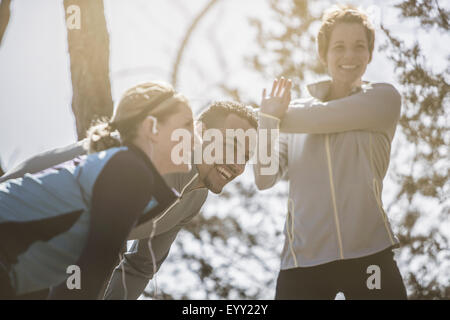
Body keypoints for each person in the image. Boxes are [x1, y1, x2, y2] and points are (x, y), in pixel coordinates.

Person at [1, 101, 258, 299]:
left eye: (246, 157)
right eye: (232, 145)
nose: (237, 164)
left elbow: (141, 265)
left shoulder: (195, 197)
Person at [254, 5, 407, 299]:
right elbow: (264, 178)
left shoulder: (383, 100)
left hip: (369, 256)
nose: (349, 55)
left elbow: (325, 118)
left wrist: (267, 118)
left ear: (369, 54)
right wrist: (268, 122)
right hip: (302, 263)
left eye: (359, 47)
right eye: (339, 47)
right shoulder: (293, 112)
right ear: (323, 55)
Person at [0, 81, 194, 299]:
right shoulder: (130, 172)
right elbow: (90, 270)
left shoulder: (123, 169)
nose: (195, 138)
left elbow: (70, 274)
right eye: (187, 125)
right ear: (152, 128)